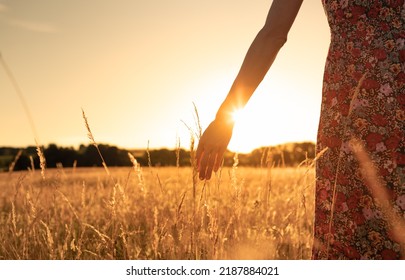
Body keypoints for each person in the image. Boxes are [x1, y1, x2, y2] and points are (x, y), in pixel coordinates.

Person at [196, 0, 404, 259]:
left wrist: (224, 117)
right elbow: (272, 35)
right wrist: (225, 116)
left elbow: (272, 34)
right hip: (352, 98)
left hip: (350, 90)